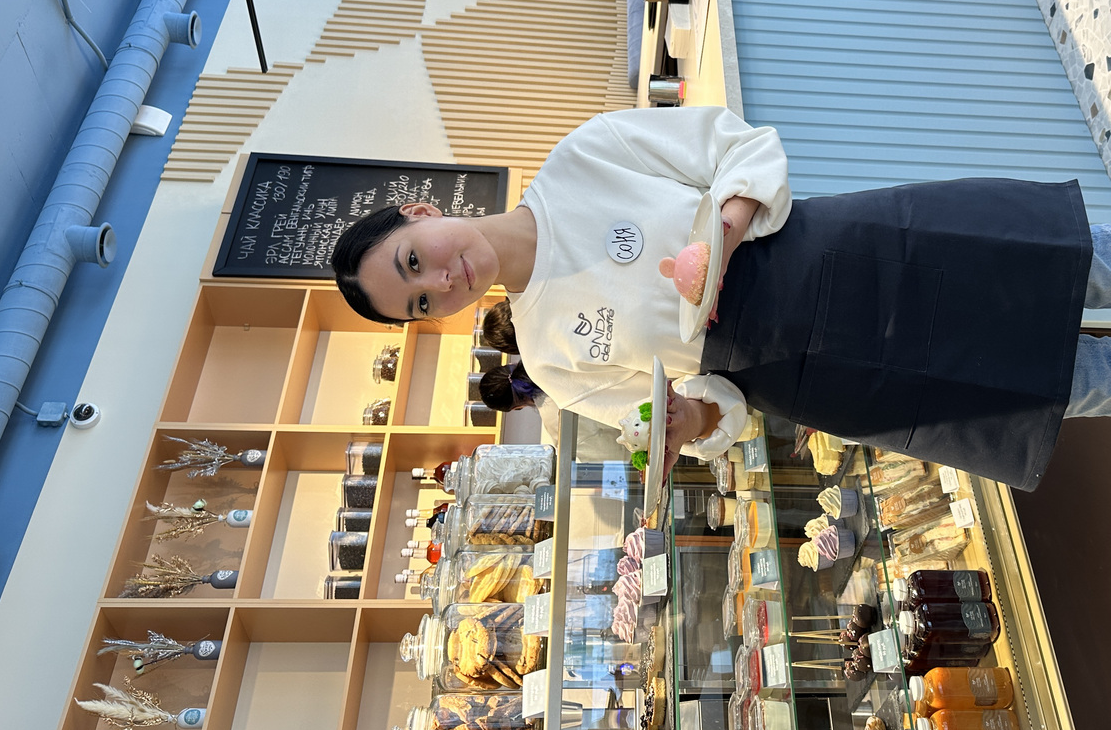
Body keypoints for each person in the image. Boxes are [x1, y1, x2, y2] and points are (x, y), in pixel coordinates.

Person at [331, 106, 1106, 491]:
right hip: (831, 379)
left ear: (422, 212)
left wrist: (724, 238)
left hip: (850, 254)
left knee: (1062, 266)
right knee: (1065, 386)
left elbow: (735, 146)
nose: (441, 283)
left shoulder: (582, 160)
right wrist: (685, 423)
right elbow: (709, 414)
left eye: (413, 261)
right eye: (420, 304)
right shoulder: (552, 360)